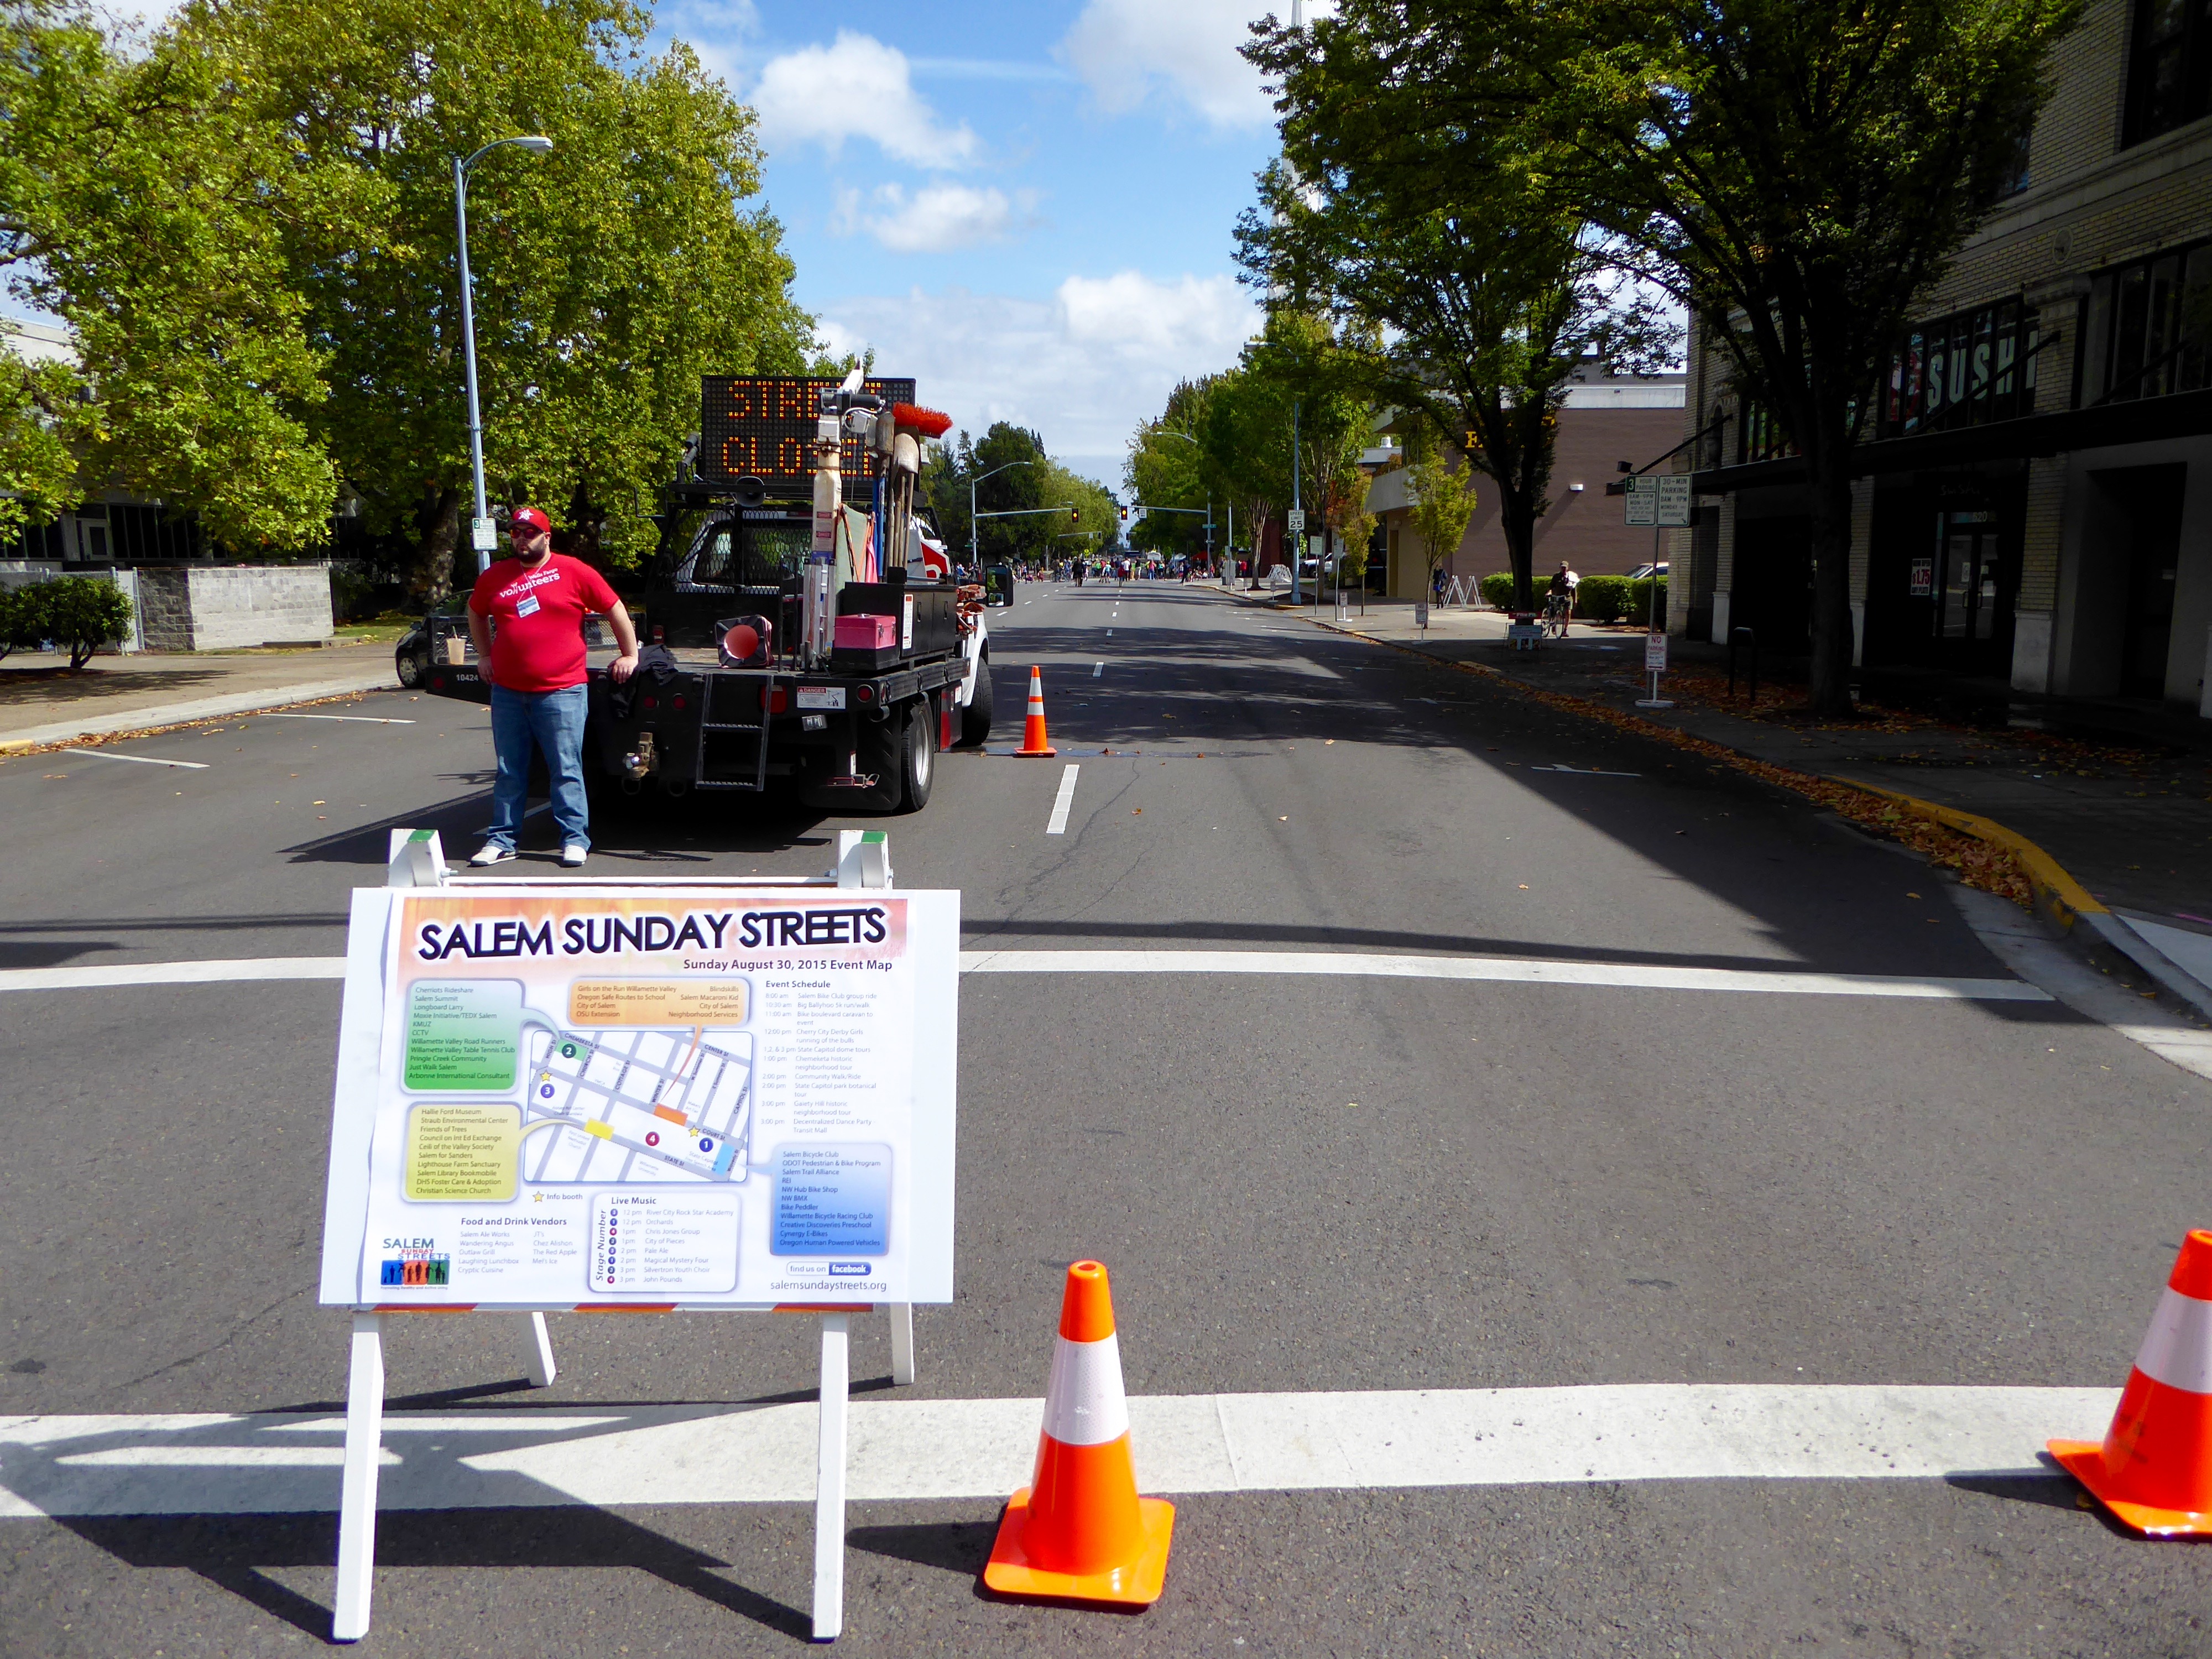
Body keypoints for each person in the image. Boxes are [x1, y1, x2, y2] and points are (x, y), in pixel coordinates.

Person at [466, 507, 639, 868]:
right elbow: (476, 612)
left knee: (565, 766)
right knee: (510, 768)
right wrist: (484, 655)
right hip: (509, 691)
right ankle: (502, 839)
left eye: (530, 532)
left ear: (547, 537)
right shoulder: (495, 577)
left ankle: (575, 838)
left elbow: (614, 607)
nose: (522, 539)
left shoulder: (574, 571)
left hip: (562, 691)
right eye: (516, 532)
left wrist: (631, 655)